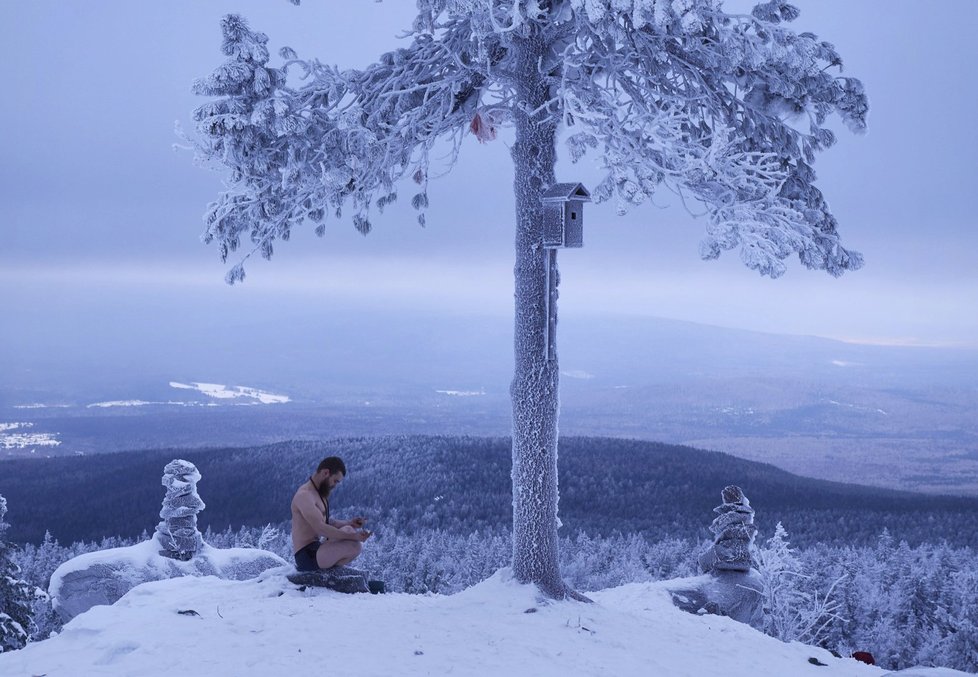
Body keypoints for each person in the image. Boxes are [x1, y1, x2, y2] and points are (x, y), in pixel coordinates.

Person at [291, 456, 371, 572]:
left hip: (317, 548)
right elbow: (321, 528)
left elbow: (327, 521)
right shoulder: (304, 495)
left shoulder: (318, 493)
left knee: (348, 529)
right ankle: (327, 572)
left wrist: (350, 523)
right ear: (326, 473)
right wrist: (354, 537)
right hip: (307, 556)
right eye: (335, 481)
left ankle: (329, 567)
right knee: (355, 546)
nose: (334, 485)